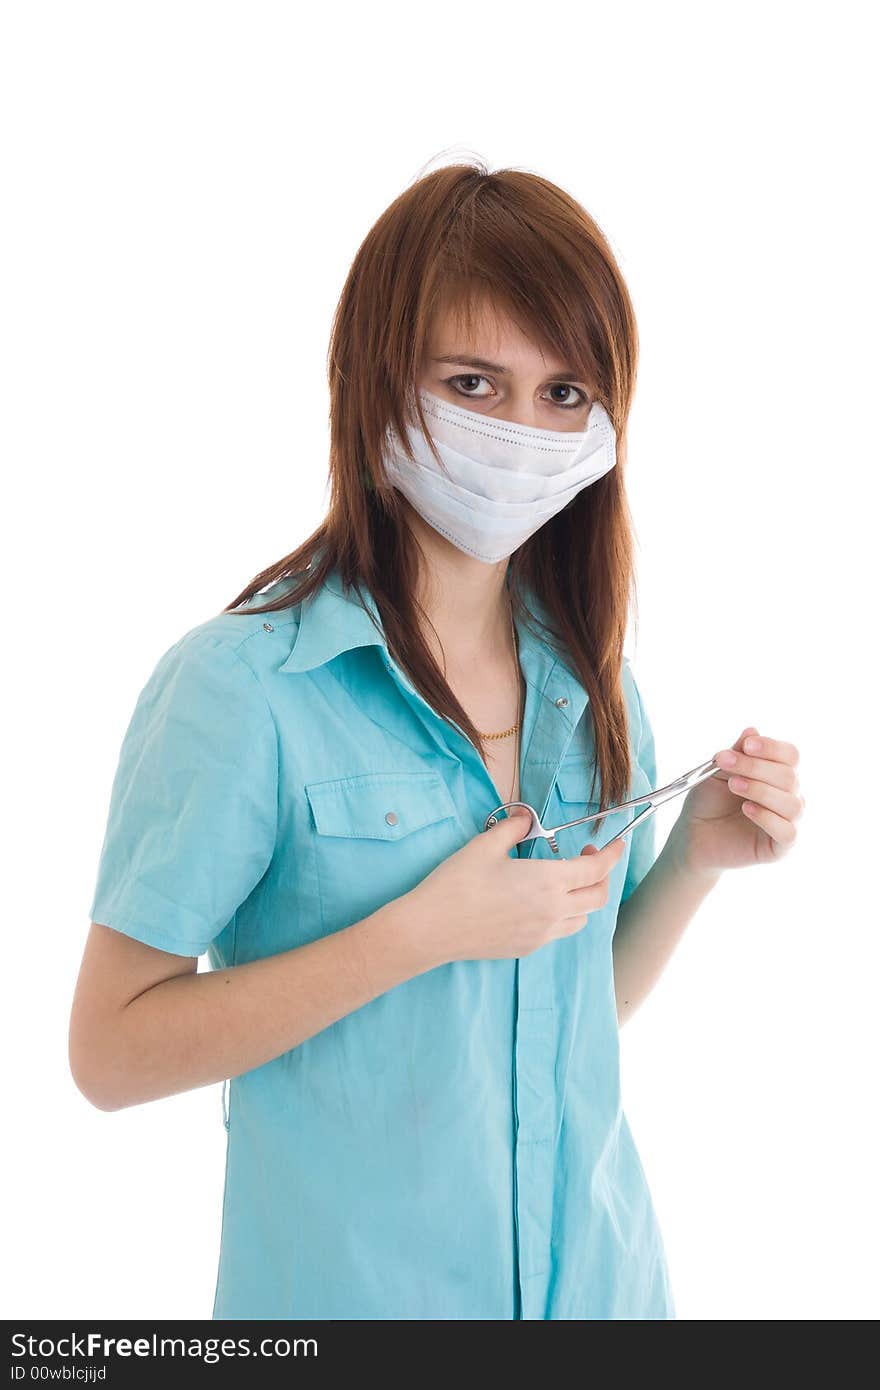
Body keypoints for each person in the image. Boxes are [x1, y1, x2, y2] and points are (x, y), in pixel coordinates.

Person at [70, 160, 804, 1321]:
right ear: (375, 385)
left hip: (606, 1297)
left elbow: (560, 1015)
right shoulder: (240, 689)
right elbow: (108, 1053)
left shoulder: (590, 687)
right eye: (473, 381)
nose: (522, 430)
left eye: (564, 394)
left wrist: (696, 866)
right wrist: (415, 933)